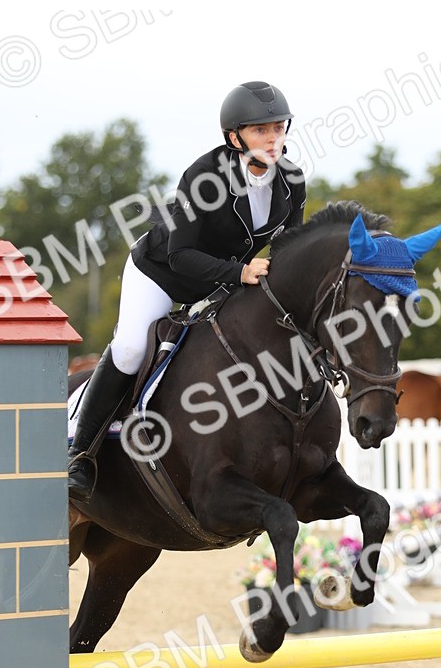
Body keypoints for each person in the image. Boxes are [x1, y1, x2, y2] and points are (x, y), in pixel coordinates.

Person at [67, 80, 306, 503]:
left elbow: (290, 246)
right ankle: (81, 453)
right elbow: (181, 256)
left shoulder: (291, 181)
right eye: (260, 131)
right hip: (163, 273)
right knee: (128, 350)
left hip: (223, 282)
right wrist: (239, 273)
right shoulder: (204, 177)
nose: (272, 139)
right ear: (235, 136)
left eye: (278, 128)